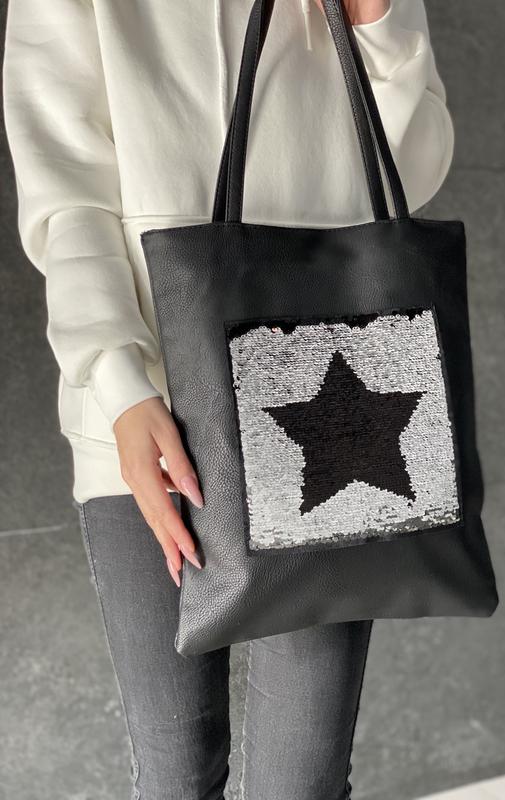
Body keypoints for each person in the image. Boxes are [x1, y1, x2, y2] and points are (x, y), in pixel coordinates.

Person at [2, 1, 455, 797]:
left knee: (302, 781)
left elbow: (408, 177)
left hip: (328, 400)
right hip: (151, 416)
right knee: (176, 773)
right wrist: (118, 381)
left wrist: (377, 26)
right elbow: (67, 191)